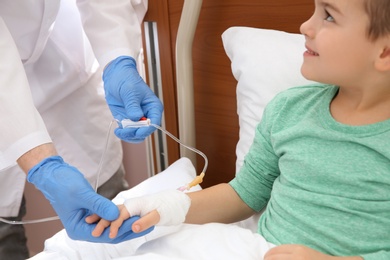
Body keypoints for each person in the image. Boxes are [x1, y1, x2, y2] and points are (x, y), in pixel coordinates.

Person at [90, 0, 390, 259]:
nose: (305, 27)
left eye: (329, 16)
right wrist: (161, 207)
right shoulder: (289, 110)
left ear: (384, 52)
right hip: (259, 250)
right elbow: (244, 195)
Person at [0, 0, 163, 259]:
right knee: (4, 229)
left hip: (60, 60)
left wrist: (117, 57)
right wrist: (42, 165)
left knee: (113, 197)